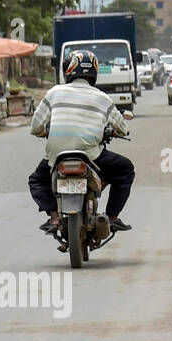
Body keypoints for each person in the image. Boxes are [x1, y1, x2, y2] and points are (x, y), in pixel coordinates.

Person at [28, 50, 135, 238]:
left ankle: (54, 216)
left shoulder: (54, 92)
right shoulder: (103, 97)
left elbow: (36, 126)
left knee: (37, 180)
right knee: (125, 169)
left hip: (56, 156)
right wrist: (116, 131)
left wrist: (46, 130)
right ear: (94, 71)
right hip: (91, 155)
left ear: (68, 70)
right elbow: (123, 128)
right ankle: (111, 217)